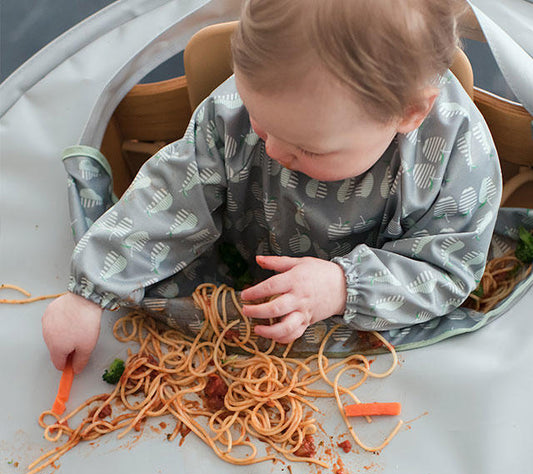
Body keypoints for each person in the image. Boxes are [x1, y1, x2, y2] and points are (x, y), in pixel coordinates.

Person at [42, 0, 502, 373]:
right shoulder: (235, 111)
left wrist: (344, 286)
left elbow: (447, 269)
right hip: (237, 276)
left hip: (358, 335)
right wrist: (89, 290)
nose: (276, 150)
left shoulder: (452, 156)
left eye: (308, 150)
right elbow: (170, 195)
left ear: (409, 114)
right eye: (261, 124)